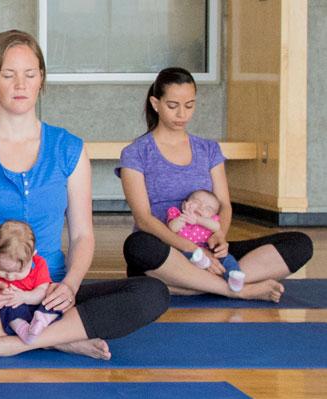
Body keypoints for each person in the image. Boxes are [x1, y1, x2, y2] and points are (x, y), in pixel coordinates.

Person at [0, 29, 170, 361]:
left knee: (153, 292)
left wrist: (70, 287)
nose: (20, 84)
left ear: (41, 80)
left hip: (48, 294)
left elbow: (82, 235)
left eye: (29, 74)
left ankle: (7, 342)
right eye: (9, 75)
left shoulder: (69, 149)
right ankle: (60, 336)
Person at [118, 67, 313, 302]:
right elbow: (144, 219)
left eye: (189, 105)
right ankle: (234, 287)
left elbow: (224, 205)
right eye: (173, 106)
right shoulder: (135, 153)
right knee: (137, 246)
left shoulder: (209, 150)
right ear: (155, 103)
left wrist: (218, 237)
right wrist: (193, 251)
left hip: (207, 246)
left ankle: (190, 284)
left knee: (300, 244)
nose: (182, 114)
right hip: (167, 251)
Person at [0, 220, 60, 344]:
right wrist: (2, 296)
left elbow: (42, 291)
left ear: (33, 255)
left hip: (35, 302)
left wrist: (24, 297)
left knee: (55, 296)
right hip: (13, 307)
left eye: (18, 272)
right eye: (2, 270)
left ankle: (43, 319)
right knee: (6, 310)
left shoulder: (38, 264)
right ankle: (23, 330)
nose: (10, 277)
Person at [166, 189, 244, 292]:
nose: (201, 208)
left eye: (208, 208)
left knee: (227, 258)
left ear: (213, 215)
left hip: (208, 250)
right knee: (186, 257)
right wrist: (183, 218)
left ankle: (235, 275)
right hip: (184, 250)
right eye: (197, 202)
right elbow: (172, 228)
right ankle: (202, 263)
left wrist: (198, 220)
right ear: (185, 204)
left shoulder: (209, 221)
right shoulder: (176, 214)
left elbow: (216, 227)